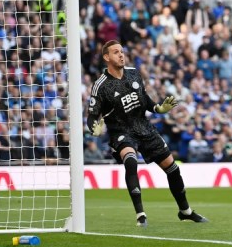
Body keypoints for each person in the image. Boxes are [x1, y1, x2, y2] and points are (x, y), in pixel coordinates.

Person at [87, 40, 208, 227]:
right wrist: (93, 127)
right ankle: (140, 215)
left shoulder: (134, 73)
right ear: (106, 57)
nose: (121, 55)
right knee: (131, 161)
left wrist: (159, 108)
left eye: (122, 51)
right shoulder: (100, 85)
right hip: (121, 131)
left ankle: (185, 211)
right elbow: (92, 116)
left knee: (173, 168)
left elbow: (145, 100)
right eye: (116, 52)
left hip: (144, 127)